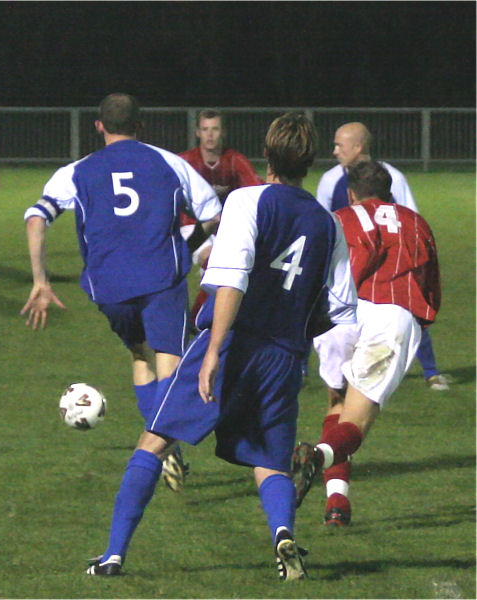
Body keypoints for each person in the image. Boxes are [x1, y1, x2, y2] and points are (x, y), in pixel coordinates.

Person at [85, 112, 357, 580]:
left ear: (267, 155)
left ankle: (113, 554)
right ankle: (283, 536)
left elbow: (230, 281)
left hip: (233, 345)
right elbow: (337, 309)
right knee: (269, 459)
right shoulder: (328, 224)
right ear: (308, 162)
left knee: (153, 440)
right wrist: (292, 337)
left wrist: (212, 350)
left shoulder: (248, 200)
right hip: (284, 357)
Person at [20, 93, 222, 491]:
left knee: (138, 351)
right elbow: (215, 214)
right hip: (161, 278)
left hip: (108, 285)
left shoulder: (76, 171)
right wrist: (190, 241)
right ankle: (161, 447)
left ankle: (163, 448)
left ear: (98, 126)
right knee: (169, 357)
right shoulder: (169, 162)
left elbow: (35, 217)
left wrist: (40, 280)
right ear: (140, 126)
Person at [293, 160, 441, 528]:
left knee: (337, 403)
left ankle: (337, 503)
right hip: (391, 316)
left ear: (351, 193)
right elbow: (430, 287)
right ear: (390, 192)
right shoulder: (417, 222)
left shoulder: (339, 217)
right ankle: (319, 456)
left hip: (340, 315)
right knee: (356, 419)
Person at [315, 121, 448, 391]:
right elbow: (320, 221)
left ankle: (431, 371)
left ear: (358, 146)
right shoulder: (330, 179)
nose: (335, 151)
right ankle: (305, 371)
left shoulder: (393, 177)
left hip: (390, 259)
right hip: (350, 263)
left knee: (406, 304)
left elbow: (411, 217)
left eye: (340, 145)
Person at [179, 109, 264, 324]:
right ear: (198, 132)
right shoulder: (185, 162)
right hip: (192, 227)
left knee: (236, 267)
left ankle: (213, 316)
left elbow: (254, 191)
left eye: (215, 129)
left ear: (223, 132)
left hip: (226, 229)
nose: (210, 135)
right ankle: (199, 317)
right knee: (213, 260)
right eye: (205, 129)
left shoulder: (235, 160)